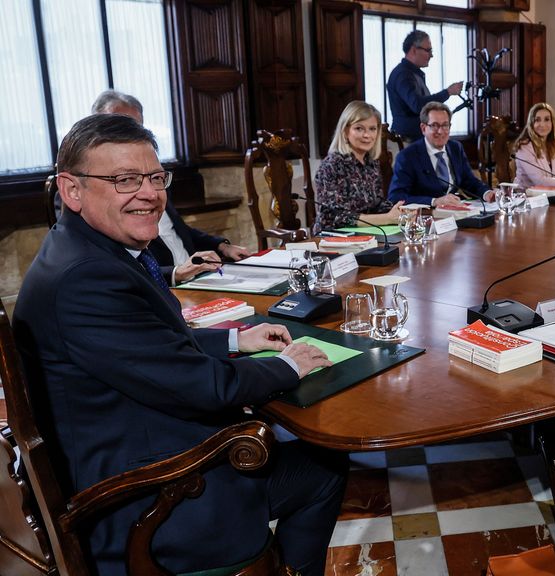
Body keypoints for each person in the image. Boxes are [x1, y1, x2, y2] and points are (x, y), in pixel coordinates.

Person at [13, 114, 346, 575]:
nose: (148, 193)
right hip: (147, 500)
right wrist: (288, 366)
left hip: (129, 447)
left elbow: (149, 343)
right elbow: (207, 388)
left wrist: (236, 337)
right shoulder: (85, 279)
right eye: (124, 179)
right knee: (324, 468)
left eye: (154, 177)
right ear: (72, 190)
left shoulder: (87, 249)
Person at [90, 90, 252, 284]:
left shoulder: (154, 176)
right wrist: (175, 273)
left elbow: (177, 229)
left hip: (201, 277)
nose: (149, 191)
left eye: (135, 128)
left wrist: (221, 246)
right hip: (164, 287)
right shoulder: (87, 190)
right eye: (119, 129)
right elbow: (109, 265)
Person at [315, 101, 404, 230]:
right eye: (359, 128)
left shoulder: (371, 163)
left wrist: (399, 211)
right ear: (345, 131)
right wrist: (387, 218)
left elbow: (376, 205)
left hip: (367, 233)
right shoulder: (332, 165)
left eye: (372, 129)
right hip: (334, 239)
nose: (367, 135)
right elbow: (335, 217)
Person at [388, 102, 491, 207]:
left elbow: (469, 181)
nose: (441, 131)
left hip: (455, 212)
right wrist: (434, 201)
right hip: (425, 216)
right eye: (434, 125)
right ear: (423, 128)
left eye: (445, 125)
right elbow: (395, 197)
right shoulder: (407, 156)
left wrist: (487, 194)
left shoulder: (455, 148)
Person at [386, 30, 463, 142]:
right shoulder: (403, 74)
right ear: (414, 50)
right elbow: (417, 105)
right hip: (407, 142)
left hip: (414, 140)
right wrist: (448, 92)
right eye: (428, 50)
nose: (431, 55)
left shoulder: (411, 73)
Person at [512, 102, 555, 189]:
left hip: (548, 195)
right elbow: (539, 181)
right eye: (537, 120)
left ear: (552, 123)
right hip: (525, 196)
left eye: (547, 119)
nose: (542, 125)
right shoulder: (524, 147)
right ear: (531, 124)